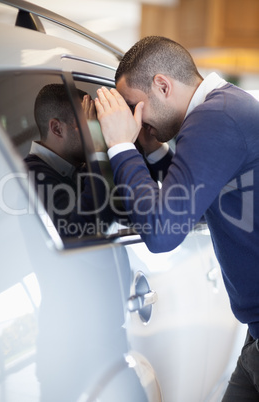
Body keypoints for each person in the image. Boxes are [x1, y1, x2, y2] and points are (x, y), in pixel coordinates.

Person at [94, 36, 259, 400]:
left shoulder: (215, 118)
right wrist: (150, 149)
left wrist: (121, 146)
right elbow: (196, 190)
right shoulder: (224, 108)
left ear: (163, 85)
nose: (135, 122)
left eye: (134, 107)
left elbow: (163, 231)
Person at [25, 83, 104, 238]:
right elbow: (77, 233)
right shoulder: (32, 176)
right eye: (88, 124)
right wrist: (97, 154)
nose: (96, 131)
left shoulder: (75, 169)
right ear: (57, 129)